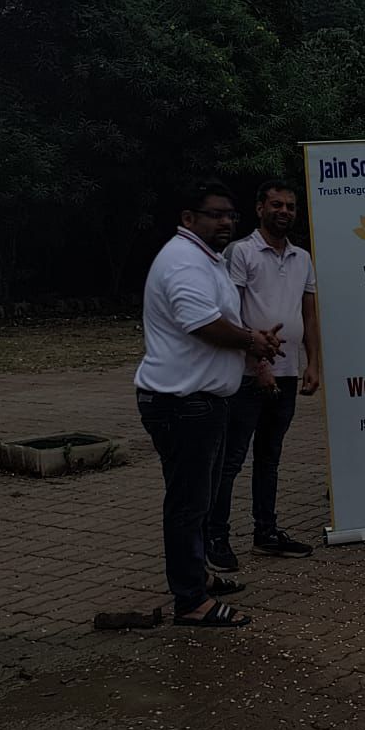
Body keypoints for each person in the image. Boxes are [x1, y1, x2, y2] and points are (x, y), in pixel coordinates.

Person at [135, 180, 284, 628]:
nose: (225, 222)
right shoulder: (183, 261)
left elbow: (219, 320)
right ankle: (191, 602)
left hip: (199, 402)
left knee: (196, 501)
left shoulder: (205, 259)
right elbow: (202, 323)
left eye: (230, 216)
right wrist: (252, 341)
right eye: (215, 214)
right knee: (188, 504)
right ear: (188, 219)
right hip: (183, 404)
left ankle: (196, 576)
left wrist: (251, 345)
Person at [206, 180, 319, 572]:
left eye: (290, 206)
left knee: (270, 457)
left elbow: (309, 315)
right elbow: (232, 313)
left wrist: (313, 363)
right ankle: (215, 537)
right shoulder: (241, 252)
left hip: (287, 374)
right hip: (247, 375)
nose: (284, 211)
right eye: (276, 204)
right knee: (231, 459)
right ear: (259, 208)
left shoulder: (302, 257)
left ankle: (265, 532)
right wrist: (260, 365)